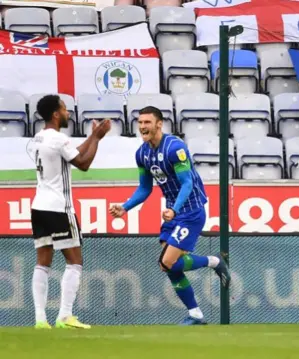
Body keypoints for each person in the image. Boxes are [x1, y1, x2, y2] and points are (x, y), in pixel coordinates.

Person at [108, 106, 230, 325]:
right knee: (168, 266)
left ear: (159, 124)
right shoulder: (142, 153)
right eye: (140, 122)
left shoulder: (175, 147)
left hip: (190, 211)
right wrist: (125, 208)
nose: (143, 126)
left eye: (147, 122)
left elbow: (187, 182)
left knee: (167, 261)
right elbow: (145, 189)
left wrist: (175, 209)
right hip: (172, 213)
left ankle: (214, 262)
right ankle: (195, 314)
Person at [30, 94, 112, 329]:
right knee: (74, 262)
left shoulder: (39, 138)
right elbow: (83, 164)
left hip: (39, 206)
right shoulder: (58, 138)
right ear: (56, 114)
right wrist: (97, 138)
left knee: (43, 263)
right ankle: (65, 316)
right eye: (64, 109)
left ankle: (39, 320)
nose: (67, 113)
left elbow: (72, 153)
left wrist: (92, 138)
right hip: (59, 207)